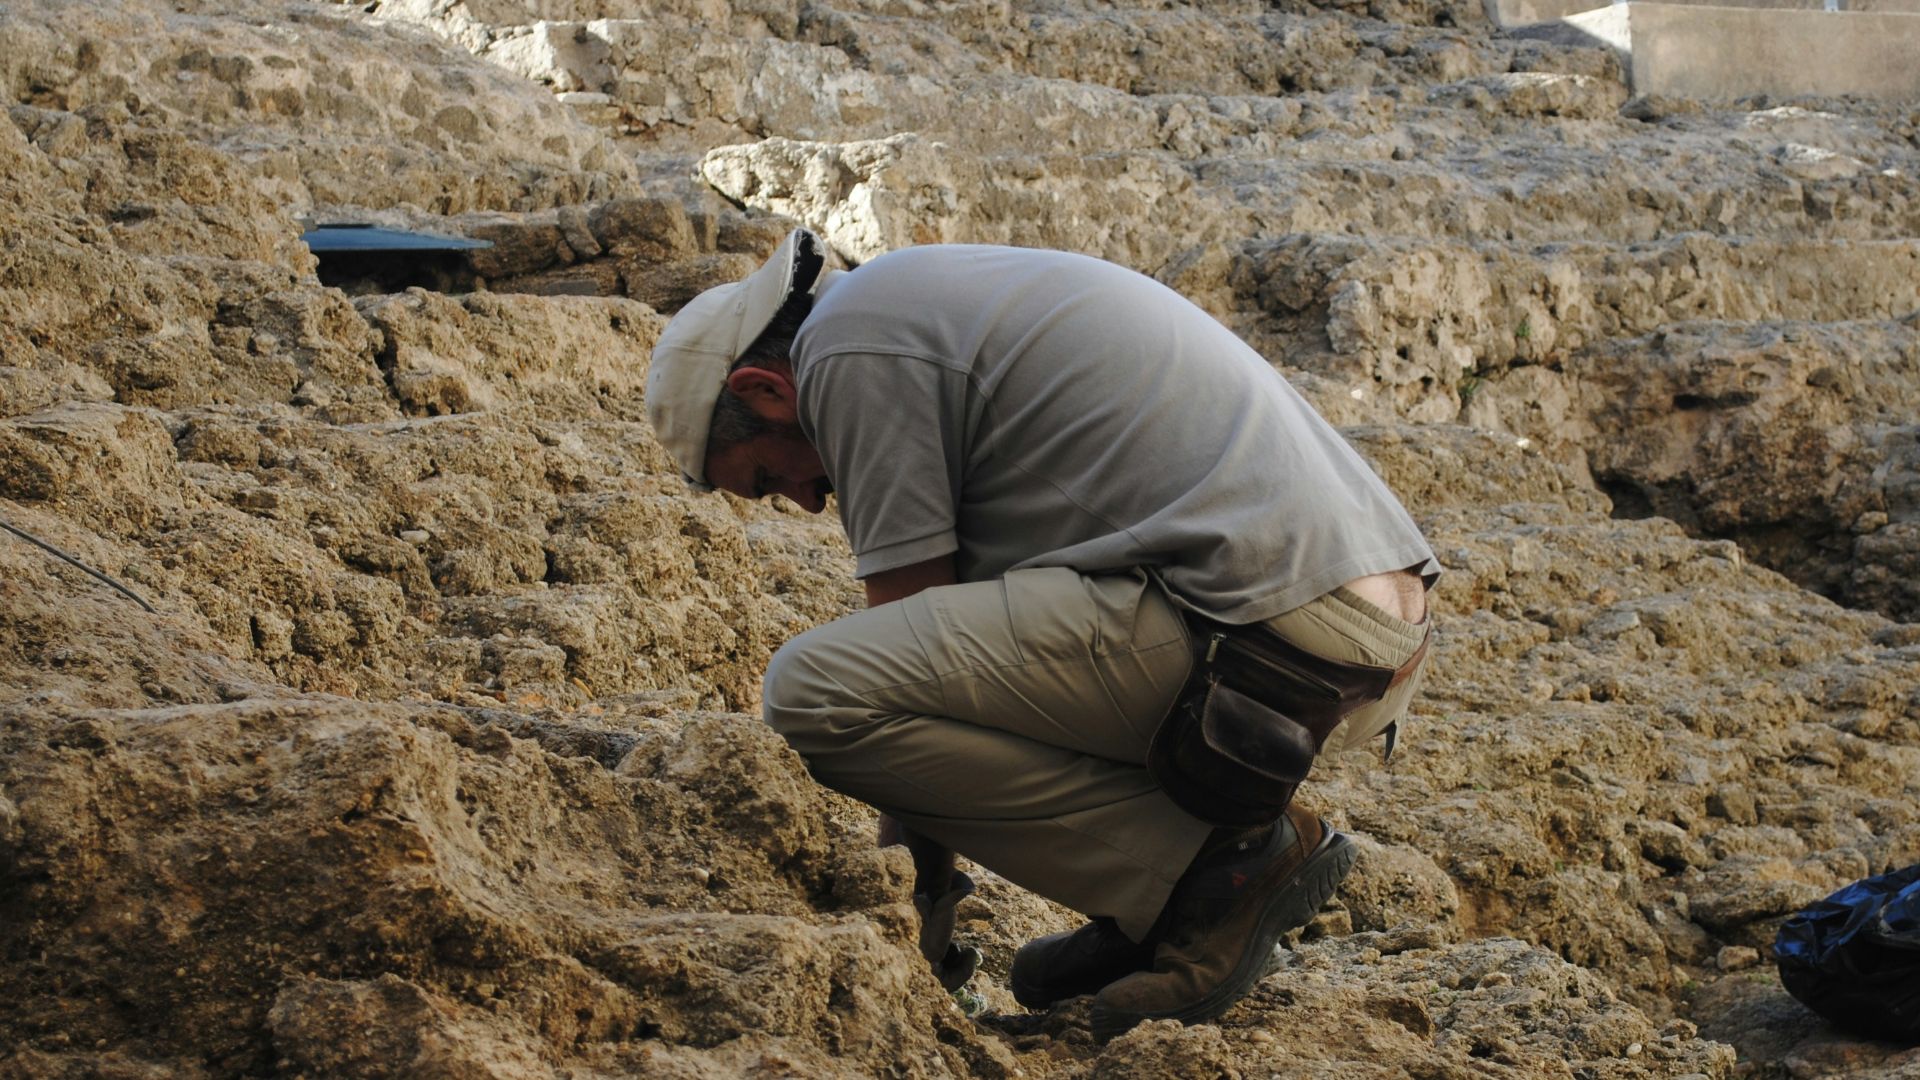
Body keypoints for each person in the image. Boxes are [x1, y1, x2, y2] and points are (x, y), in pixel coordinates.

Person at [645, 228, 1438, 1038]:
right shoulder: (914, 303)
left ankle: (1209, 877)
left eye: (768, 479)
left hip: (1270, 636)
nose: (809, 504)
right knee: (928, 683)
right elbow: (949, 661)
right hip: (1362, 640)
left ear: (764, 390)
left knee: (812, 691)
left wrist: (918, 954)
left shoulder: (847, 355)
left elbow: (894, 666)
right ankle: (1160, 913)